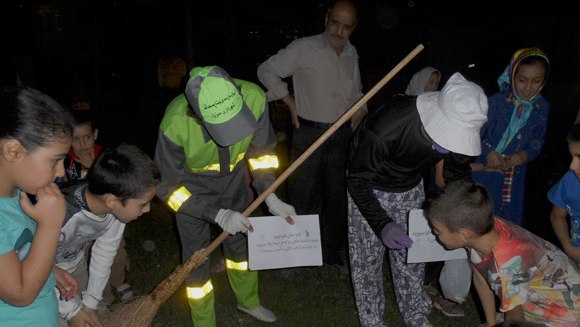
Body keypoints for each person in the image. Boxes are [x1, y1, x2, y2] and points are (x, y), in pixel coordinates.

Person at [154, 65, 296, 326]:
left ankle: (248, 301)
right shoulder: (175, 124)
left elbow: (261, 153)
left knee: (240, 248)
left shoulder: (254, 98)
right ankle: (205, 322)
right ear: (198, 116)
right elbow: (168, 189)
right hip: (191, 192)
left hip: (234, 184)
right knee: (197, 260)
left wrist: (269, 195)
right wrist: (215, 214)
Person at [347, 72, 488, 327]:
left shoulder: (460, 119)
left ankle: (414, 312)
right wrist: (382, 224)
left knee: (412, 257)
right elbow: (357, 180)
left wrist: (465, 206)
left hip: (410, 187)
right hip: (370, 187)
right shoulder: (387, 126)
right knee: (367, 262)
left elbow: (456, 173)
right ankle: (372, 319)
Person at [257, 0, 366, 270]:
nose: (338, 31)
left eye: (346, 26)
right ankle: (291, 255)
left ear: (354, 28)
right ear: (326, 18)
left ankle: (330, 253)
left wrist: (360, 111)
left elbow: (356, 94)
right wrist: (289, 101)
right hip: (308, 133)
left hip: (341, 136)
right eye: (335, 22)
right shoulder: (304, 48)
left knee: (336, 198)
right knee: (301, 195)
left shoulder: (352, 54)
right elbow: (266, 71)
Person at [425, 180, 580, 326]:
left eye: (437, 231)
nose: (434, 232)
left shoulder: (505, 267)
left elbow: (514, 319)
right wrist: (491, 323)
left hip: (564, 312)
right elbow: (480, 276)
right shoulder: (481, 231)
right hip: (534, 292)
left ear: (463, 234)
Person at [54, 143, 160, 327]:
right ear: (111, 200)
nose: (147, 210)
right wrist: (72, 311)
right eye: (142, 204)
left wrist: (91, 302)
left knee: (90, 317)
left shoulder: (115, 213)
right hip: (46, 277)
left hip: (76, 266)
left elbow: (105, 252)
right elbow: (32, 266)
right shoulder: (60, 215)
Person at [0, 86, 74, 326]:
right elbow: (20, 294)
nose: (61, 172)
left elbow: (18, 255)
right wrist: (50, 225)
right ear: (13, 151)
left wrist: (47, 272)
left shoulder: (17, 195)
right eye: (55, 160)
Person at [60, 110, 135, 305]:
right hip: (82, 225)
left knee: (115, 254)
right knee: (88, 259)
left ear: (95, 135)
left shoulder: (104, 157)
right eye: (76, 139)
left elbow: (114, 183)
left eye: (87, 137)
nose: (82, 144)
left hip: (106, 218)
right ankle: (101, 295)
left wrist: (92, 166)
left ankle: (118, 282)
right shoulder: (65, 162)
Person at [472, 47, 550, 226]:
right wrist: (488, 153)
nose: (528, 88)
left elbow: (538, 141)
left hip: (515, 175)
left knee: (509, 223)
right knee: (481, 220)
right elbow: (474, 135)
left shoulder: (542, 108)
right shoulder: (495, 102)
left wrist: (525, 155)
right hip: (486, 170)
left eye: (536, 81)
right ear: (512, 75)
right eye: (522, 80)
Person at [548, 123, 580, 264]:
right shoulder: (570, 179)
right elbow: (557, 216)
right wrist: (568, 247)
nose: (572, 166)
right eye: (573, 157)